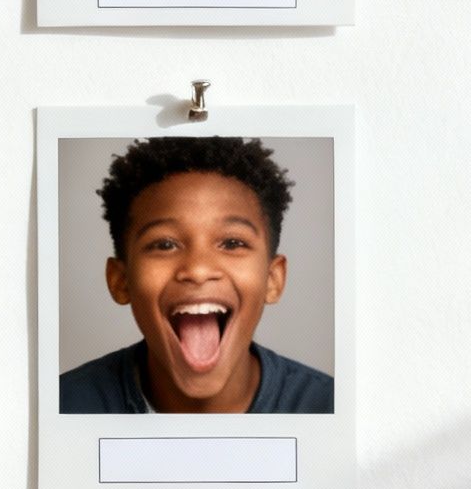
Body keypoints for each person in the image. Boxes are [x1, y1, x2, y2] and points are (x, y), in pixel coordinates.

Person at [59, 136, 333, 413]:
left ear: (272, 279)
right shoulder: (63, 407)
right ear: (121, 281)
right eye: (165, 244)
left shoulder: (329, 408)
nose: (198, 270)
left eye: (232, 243)